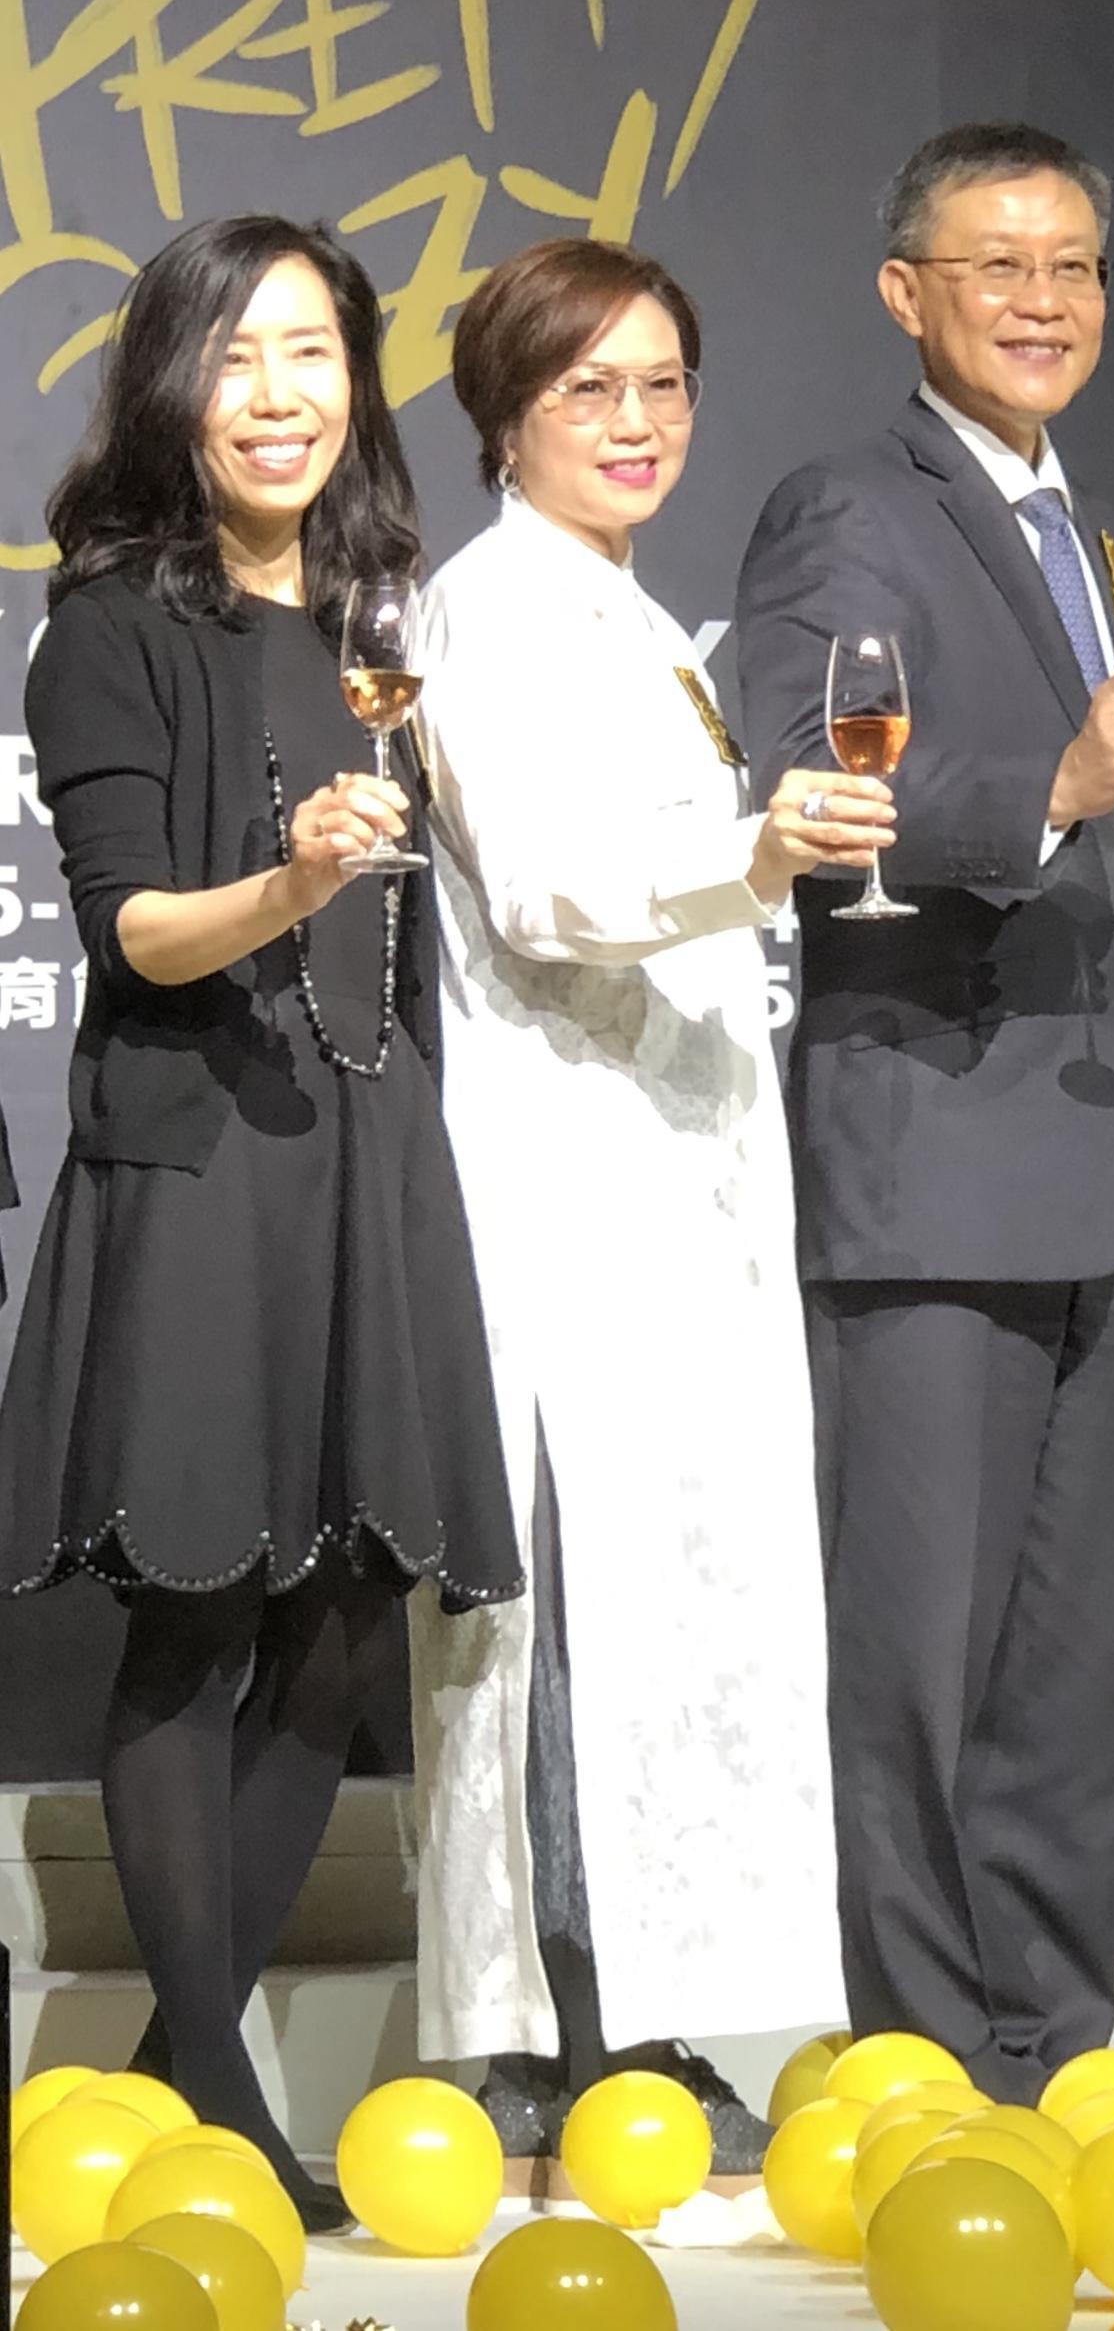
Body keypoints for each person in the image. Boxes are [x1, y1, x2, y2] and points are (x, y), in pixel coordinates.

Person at [0, 218, 520, 2222]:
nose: (284, 394)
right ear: (172, 390)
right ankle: (216, 2080)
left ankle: (179, 2055)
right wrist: (290, 879)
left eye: (314, 351)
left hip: (363, 1154)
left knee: (333, 1632)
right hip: (202, 1155)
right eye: (239, 358)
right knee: (197, 1608)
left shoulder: (381, 625)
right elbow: (133, 928)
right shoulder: (113, 625)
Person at [405, 241, 891, 2166]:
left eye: (663, 385)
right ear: (504, 415)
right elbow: (544, 892)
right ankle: (540, 2022)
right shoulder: (484, 614)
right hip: (565, 1183)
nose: (635, 424)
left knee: (676, 1607)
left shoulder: (643, 622)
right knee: (560, 1600)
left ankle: (644, 2014)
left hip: (681, 1181)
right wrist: (755, 851)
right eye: (587, 389)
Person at [734, 122, 1114, 2099]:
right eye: (998, 265)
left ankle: (1052, 2049)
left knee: (1071, 1675)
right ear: (903, 293)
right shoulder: (847, 504)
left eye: (1075, 266)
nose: (1043, 302)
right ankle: (925, 2059)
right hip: (927, 1150)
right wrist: (1053, 788)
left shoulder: (1094, 541)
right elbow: (801, 781)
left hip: (1103, 1162)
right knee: (913, 1668)